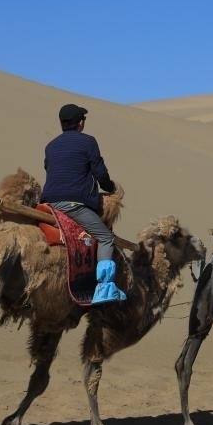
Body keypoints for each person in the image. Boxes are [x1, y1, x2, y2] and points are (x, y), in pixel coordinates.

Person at [42, 103, 124, 304]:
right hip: (74, 205)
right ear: (80, 123)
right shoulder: (88, 142)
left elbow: (50, 170)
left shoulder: (50, 146)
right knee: (106, 238)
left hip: (49, 203)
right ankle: (104, 288)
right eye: (83, 119)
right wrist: (111, 187)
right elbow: (100, 173)